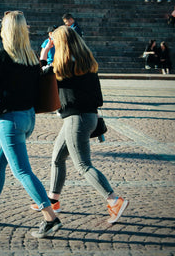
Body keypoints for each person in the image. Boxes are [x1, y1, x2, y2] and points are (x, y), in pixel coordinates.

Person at [0, 11, 62, 239]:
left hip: (11, 121)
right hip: (27, 118)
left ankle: (50, 218)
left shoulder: (2, 56)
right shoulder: (29, 57)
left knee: (22, 171)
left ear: (5, 30)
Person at [30, 25, 129, 224]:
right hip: (87, 116)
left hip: (77, 119)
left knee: (83, 165)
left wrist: (44, 53)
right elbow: (97, 96)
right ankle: (53, 200)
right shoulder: (86, 62)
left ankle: (114, 200)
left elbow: (38, 76)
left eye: (56, 41)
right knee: (57, 157)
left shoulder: (63, 65)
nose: (54, 44)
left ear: (63, 43)